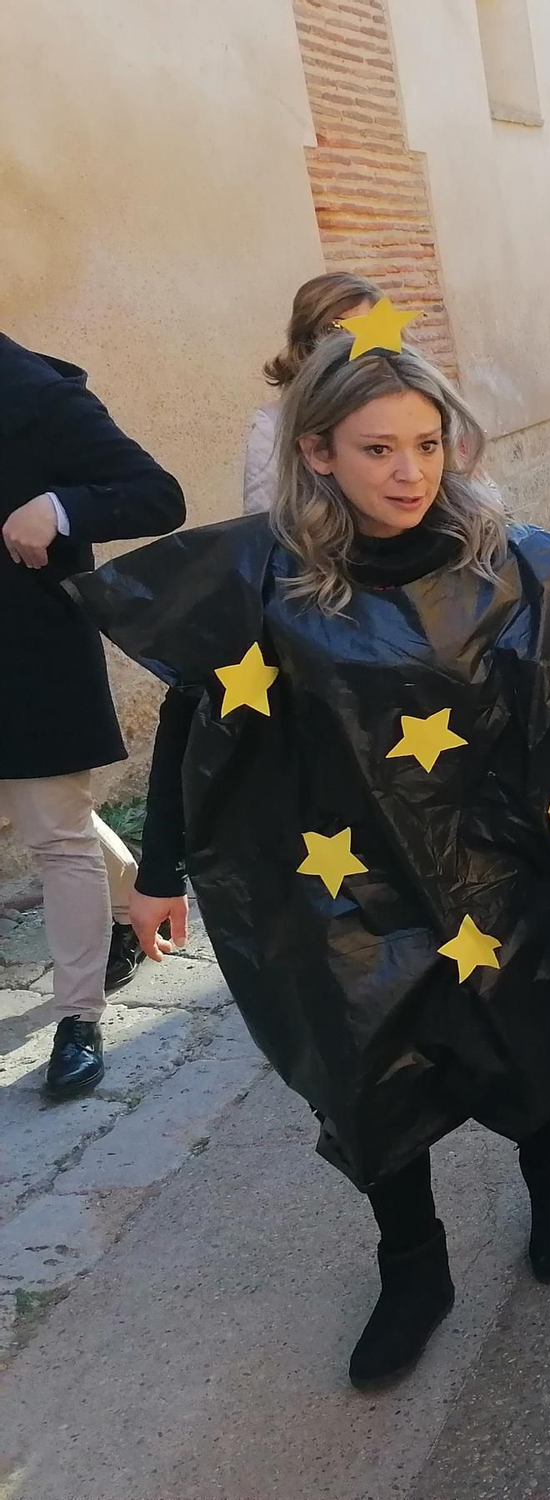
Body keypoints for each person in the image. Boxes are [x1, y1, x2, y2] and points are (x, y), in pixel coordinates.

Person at [73, 321, 550, 1390]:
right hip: (338, 896)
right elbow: (198, 734)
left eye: (427, 444)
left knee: (516, 1031)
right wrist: (157, 874)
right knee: (366, 1072)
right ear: (318, 453)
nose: (408, 471)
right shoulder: (258, 577)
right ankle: (413, 1266)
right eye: (378, 447)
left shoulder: (516, 567)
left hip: (498, 869)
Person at [3, 331, 185, 1098]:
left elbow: (158, 494)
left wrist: (60, 506)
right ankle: (129, 899)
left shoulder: (37, 397)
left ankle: (78, 1018)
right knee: (51, 820)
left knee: (52, 831)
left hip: (27, 656)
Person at [244, 273, 380, 513]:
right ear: (309, 339)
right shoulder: (276, 424)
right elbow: (264, 518)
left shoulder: (417, 409)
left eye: (370, 328)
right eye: (338, 329)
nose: (353, 342)